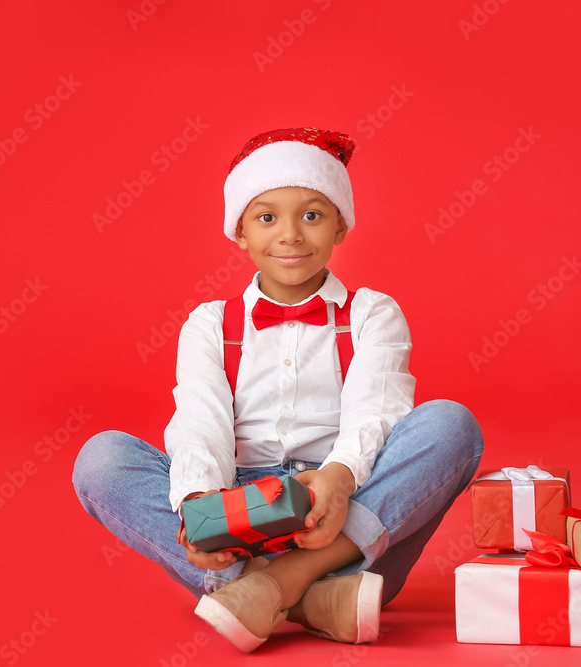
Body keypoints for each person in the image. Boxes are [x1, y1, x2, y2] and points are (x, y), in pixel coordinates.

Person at [72, 127, 484, 653]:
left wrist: (336, 481)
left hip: (344, 494)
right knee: (102, 459)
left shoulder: (371, 313)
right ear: (240, 232)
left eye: (312, 215)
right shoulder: (210, 323)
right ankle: (315, 599)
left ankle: (277, 583)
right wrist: (202, 510)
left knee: (452, 424)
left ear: (341, 226)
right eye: (267, 217)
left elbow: (375, 412)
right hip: (242, 503)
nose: (290, 235)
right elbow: (202, 421)